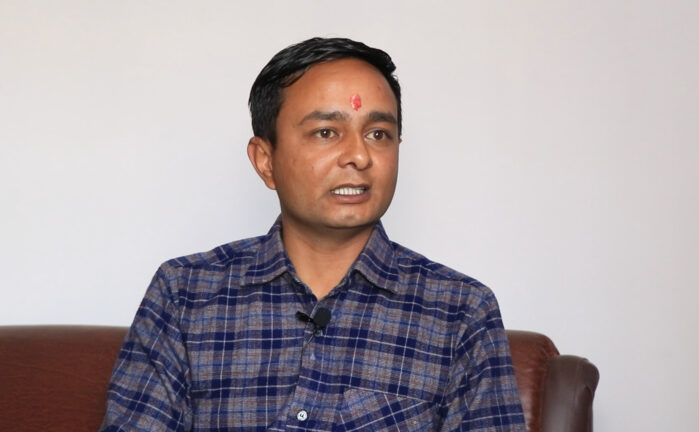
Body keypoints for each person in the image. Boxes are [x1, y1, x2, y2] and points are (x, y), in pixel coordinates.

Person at [100, 37, 525, 432]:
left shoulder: (460, 311)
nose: (359, 156)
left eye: (378, 134)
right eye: (326, 132)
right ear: (265, 160)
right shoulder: (185, 294)